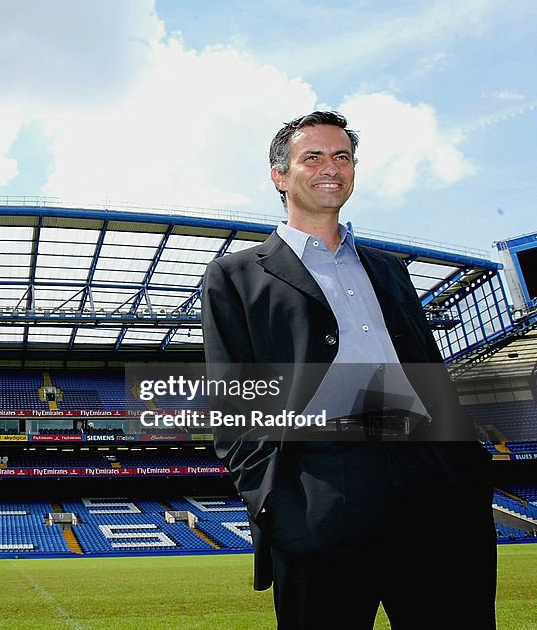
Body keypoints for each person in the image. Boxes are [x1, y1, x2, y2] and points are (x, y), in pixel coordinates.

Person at [201, 111, 496, 629]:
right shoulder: (236, 275)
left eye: (342, 156)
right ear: (279, 175)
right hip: (320, 489)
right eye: (312, 157)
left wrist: (466, 466)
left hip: (435, 482)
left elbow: (430, 370)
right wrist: (274, 500)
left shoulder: (388, 268)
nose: (330, 168)